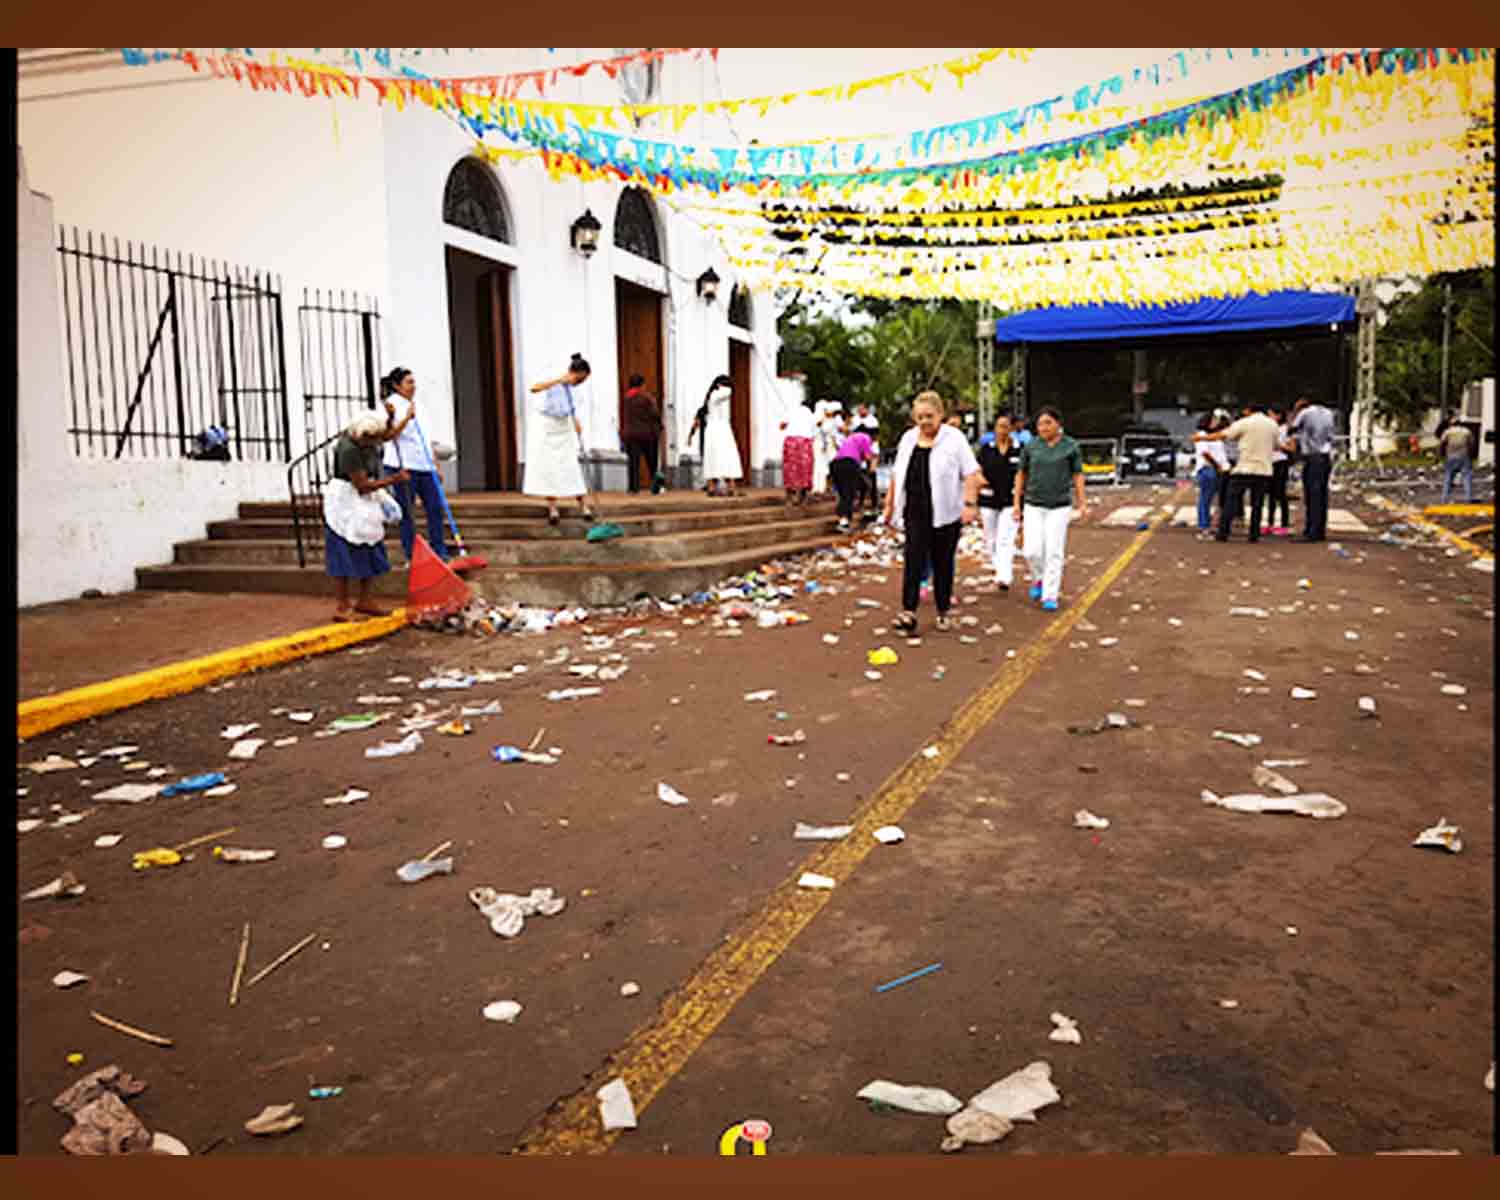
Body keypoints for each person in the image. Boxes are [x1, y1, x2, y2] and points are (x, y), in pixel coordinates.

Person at [882, 391, 982, 635]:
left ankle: (943, 611)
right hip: (915, 511)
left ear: (940, 415)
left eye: (929, 416)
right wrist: (889, 505)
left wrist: (969, 505)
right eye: (920, 417)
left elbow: (971, 473)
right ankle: (908, 611)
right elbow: (897, 474)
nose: (925, 422)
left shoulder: (954, 439)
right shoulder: (908, 439)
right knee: (913, 560)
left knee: (943, 562)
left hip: (947, 512)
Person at [323, 412, 409, 622]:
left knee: (371, 544)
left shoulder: (368, 440)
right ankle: (342, 604)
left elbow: (387, 435)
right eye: (371, 440)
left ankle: (365, 599)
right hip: (346, 500)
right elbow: (361, 486)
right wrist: (394, 479)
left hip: (365, 500)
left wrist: (391, 418)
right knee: (344, 549)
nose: (374, 444)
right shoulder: (348, 450)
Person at [1012, 406, 1085, 612]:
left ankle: (1050, 595)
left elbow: (1078, 475)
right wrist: (1017, 503)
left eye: (1048, 423)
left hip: (1059, 506)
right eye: (1040, 424)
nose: (1043, 427)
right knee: (1031, 551)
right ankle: (1038, 578)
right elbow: (1021, 474)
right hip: (1033, 503)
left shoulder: (1070, 447)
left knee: (1054, 550)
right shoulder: (1032, 447)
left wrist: (1082, 501)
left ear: (1058, 424)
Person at [380, 367, 447, 563]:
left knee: (435, 507)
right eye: (409, 382)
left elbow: (425, 438)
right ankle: (412, 554)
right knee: (407, 512)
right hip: (403, 465)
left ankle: (439, 550)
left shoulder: (419, 404)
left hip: (425, 465)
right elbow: (389, 435)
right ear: (396, 385)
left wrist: (436, 465)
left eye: (413, 382)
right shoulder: (390, 405)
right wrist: (407, 418)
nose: (413, 386)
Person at [526, 353, 596, 526]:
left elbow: (571, 406)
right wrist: (559, 380)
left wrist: (576, 422)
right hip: (546, 426)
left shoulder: (574, 389)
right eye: (578, 379)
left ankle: (584, 506)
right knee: (549, 469)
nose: (579, 383)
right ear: (573, 373)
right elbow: (534, 388)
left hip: (564, 427)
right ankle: (552, 509)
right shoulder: (553, 375)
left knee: (570, 467)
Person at [1198, 403, 1279, 542]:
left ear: (1249, 410)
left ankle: (1223, 533)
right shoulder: (1272, 425)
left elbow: (1224, 434)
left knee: (1231, 500)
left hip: (1245, 467)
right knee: (1257, 504)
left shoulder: (1244, 423)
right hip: (1264, 469)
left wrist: (1202, 438)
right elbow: (1275, 444)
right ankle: (1254, 535)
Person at [976, 412, 1022, 591]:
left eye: (1006, 426)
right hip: (988, 498)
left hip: (1010, 499)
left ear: (1011, 429)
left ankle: (1004, 575)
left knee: (1006, 538)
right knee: (991, 539)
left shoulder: (1020, 449)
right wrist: (981, 481)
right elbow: (977, 469)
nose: (1002, 430)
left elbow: (1023, 474)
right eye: (999, 426)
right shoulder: (986, 449)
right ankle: (998, 567)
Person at [1288, 395, 1336, 542]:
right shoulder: (1329, 413)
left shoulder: (1306, 412)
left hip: (1312, 457)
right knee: (1321, 495)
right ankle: (1320, 530)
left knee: (1311, 496)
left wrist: (1296, 409)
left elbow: (1291, 428)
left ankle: (1311, 531)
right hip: (1325, 457)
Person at [700, 374, 744, 498]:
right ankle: (727, 487)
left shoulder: (712, 396)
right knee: (726, 457)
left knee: (715, 458)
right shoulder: (716, 395)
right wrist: (723, 386)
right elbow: (728, 392)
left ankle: (716, 487)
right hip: (719, 430)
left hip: (717, 429)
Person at [829, 423, 879, 532]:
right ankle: (844, 521)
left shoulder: (850, 438)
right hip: (849, 464)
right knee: (849, 493)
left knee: (843, 493)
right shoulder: (865, 437)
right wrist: (873, 465)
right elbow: (868, 457)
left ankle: (842, 519)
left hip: (835, 464)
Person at [620, 373, 662, 495]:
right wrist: (659, 426)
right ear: (642, 384)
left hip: (631, 434)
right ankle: (656, 487)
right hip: (647, 434)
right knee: (652, 462)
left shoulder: (627, 398)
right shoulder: (647, 398)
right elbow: (655, 414)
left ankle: (633, 488)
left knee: (633, 462)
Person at [1192, 413, 1229, 535]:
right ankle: (1204, 525)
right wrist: (1217, 465)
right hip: (1208, 468)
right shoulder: (1202, 434)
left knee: (1215, 499)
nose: (1216, 422)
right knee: (1205, 499)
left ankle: (1211, 524)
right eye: (1214, 420)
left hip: (1218, 469)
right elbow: (1204, 453)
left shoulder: (1214, 435)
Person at [779, 397, 817, 508]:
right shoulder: (811, 414)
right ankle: (803, 498)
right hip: (804, 442)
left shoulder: (792, 411)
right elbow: (814, 430)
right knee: (805, 470)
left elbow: (782, 425)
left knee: (790, 470)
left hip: (790, 441)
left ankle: (789, 498)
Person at [1267, 405, 1293, 535]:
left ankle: (1284, 525)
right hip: (1269, 463)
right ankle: (1270, 523)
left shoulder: (1285, 429)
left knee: (1280, 494)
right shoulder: (1269, 429)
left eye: (1271, 414)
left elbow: (1291, 448)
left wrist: (1279, 446)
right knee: (1270, 495)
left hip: (1281, 463)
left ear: (1278, 415)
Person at [1439, 415, 1475, 502]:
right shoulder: (1467, 431)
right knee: (1467, 478)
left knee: (1448, 478)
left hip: (1451, 456)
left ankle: (1444, 499)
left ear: (1451, 424)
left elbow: (1442, 443)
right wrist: (1471, 454)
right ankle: (1468, 498)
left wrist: (1441, 455)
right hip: (1464, 456)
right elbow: (1472, 443)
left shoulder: (1447, 432)